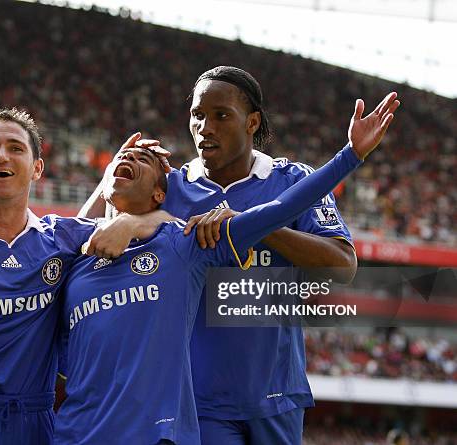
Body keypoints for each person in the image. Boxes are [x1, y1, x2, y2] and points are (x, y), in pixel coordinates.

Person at [56, 87, 398, 444]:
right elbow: (93, 239)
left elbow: (342, 264)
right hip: (198, 400)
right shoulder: (170, 186)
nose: (205, 126)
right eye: (197, 115)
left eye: (221, 115)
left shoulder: (293, 179)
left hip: (276, 390)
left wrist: (252, 227)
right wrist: (120, 183)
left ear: (252, 122)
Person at [0, 108, 157, 445]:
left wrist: (127, 221)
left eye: (16, 148)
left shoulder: (59, 238)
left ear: (37, 168)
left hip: (34, 419)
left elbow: (164, 225)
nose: (2, 156)